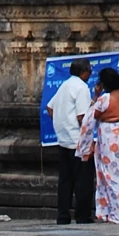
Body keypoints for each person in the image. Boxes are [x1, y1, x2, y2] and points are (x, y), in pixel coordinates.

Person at [77, 66, 119, 224]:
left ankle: (118, 213)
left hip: (110, 138)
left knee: (111, 176)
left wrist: (96, 95)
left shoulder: (105, 99)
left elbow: (89, 117)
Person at [48, 58, 97, 225]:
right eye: (89, 71)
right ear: (83, 72)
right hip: (77, 140)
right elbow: (82, 116)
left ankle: (63, 215)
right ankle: (82, 215)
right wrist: (87, 140)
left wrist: (61, 124)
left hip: (63, 139)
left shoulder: (64, 86)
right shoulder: (81, 88)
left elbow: (50, 107)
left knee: (65, 180)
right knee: (83, 180)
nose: (90, 74)